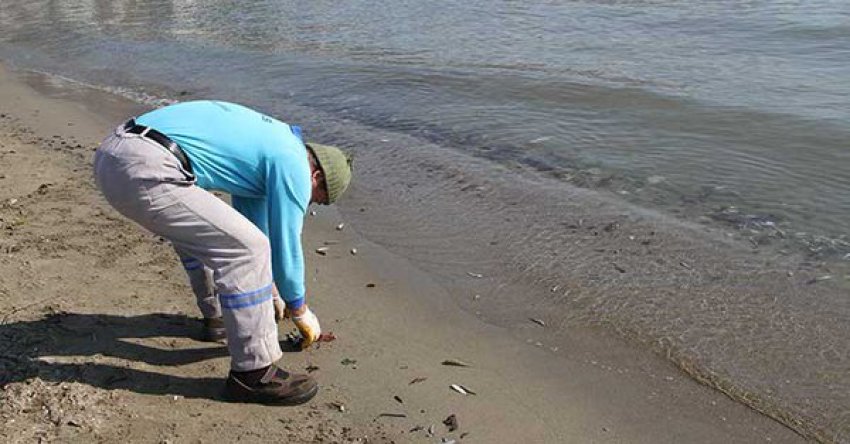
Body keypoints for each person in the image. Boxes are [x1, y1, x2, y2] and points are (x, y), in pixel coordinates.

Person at [93, 100, 352, 405]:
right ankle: (254, 374)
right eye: (318, 199)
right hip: (147, 165)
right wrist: (299, 308)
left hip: (116, 154)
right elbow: (284, 245)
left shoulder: (271, 146)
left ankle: (215, 320)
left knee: (216, 238)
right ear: (316, 177)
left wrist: (269, 291)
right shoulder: (293, 161)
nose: (311, 205)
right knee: (248, 251)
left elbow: (250, 227)